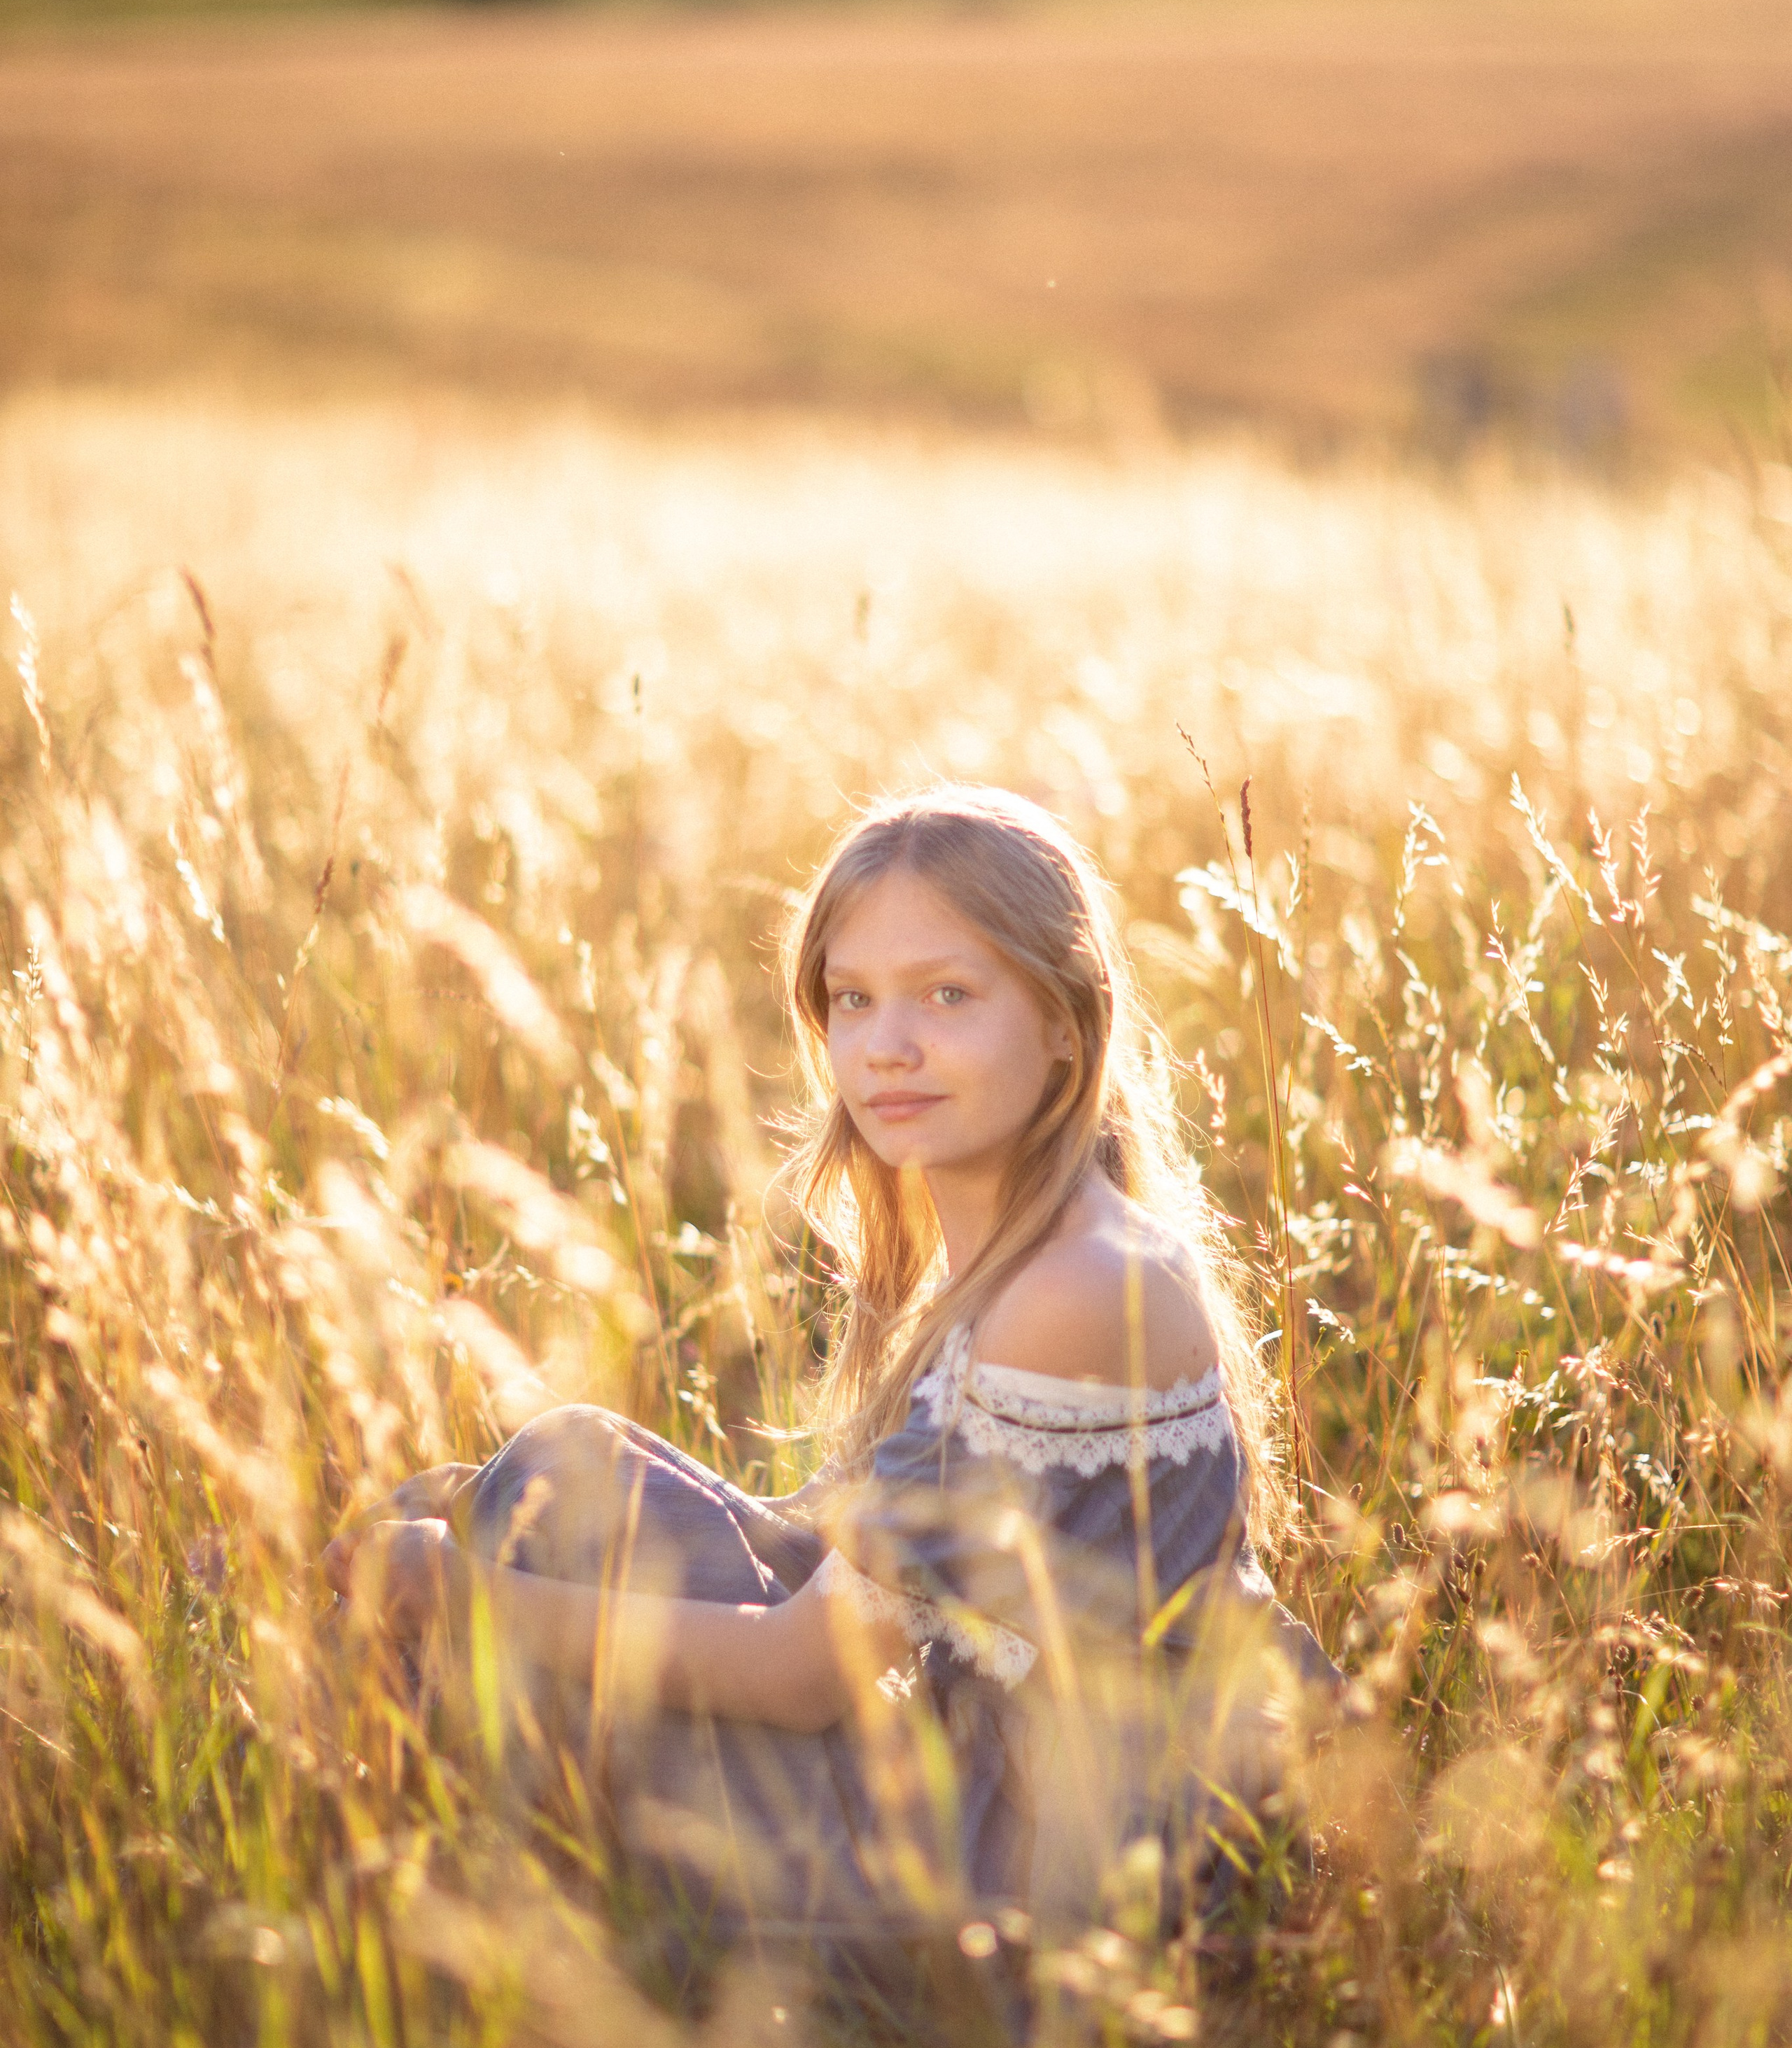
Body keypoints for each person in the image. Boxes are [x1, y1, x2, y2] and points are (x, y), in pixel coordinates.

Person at [327, 785, 1333, 1949]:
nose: (885, 1045)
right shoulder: (1021, 1249)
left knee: (508, 1578)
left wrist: (462, 1593)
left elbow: (809, 1674)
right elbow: (863, 1548)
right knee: (561, 1471)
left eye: (948, 995)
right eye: (852, 999)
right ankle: (409, 1892)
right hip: (1003, 1770)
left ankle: (426, 1943)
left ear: (1067, 1022)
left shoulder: (1074, 1288)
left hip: (1068, 1866)